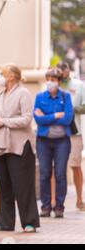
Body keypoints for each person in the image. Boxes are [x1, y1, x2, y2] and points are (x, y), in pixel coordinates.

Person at [0, 63, 40, 232]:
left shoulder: (23, 93)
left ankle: (29, 222)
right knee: (4, 186)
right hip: (0, 146)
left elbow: (26, 119)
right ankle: (5, 223)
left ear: (11, 76)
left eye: (1, 73)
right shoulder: (0, 94)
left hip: (19, 147)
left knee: (23, 186)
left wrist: (2, 122)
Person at [34, 68, 73, 218]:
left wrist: (47, 117)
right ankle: (45, 206)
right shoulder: (40, 97)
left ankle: (59, 207)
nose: (50, 82)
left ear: (59, 81)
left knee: (60, 174)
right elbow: (38, 119)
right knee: (44, 174)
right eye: (48, 79)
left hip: (62, 142)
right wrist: (56, 115)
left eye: (54, 79)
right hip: (43, 141)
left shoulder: (65, 96)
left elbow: (67, 118)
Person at [57, 61, 85, 211]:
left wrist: (72, 109)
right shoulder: (54, 84)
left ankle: (80, 200)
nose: (63, 74)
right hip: (55, 131)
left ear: (69, 70)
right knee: (56, 168)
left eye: (65, 71)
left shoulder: (79, 85)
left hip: (74, 132)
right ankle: (55, 201)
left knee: (75, 166)